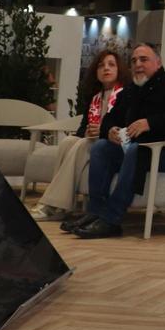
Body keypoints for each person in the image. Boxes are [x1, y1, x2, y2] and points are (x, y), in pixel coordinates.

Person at [69, 43, 165, 239]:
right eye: (133, 61)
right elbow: (110, 118)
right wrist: (110, 130)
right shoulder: (131, 91)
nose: (138, 64)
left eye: (143, 59)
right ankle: (95, 212)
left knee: (136, 150)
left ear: (158, 62)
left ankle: (111, 220)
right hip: (144, 151)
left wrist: (150, 123)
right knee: (101, 147)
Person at [30, 48, 127, 223]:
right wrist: (88, 132)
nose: (106, 68)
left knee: (83, 144)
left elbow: (125, 126)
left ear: (119, 69)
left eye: (111, 65)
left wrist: (103, 131)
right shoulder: (94, 97)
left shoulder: (126, 95)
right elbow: (83, 129)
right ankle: (59, 205)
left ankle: (54, 205)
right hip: (94, 141)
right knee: (68, 141)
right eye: (101, 65)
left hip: (113, 145)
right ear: (95, 72)